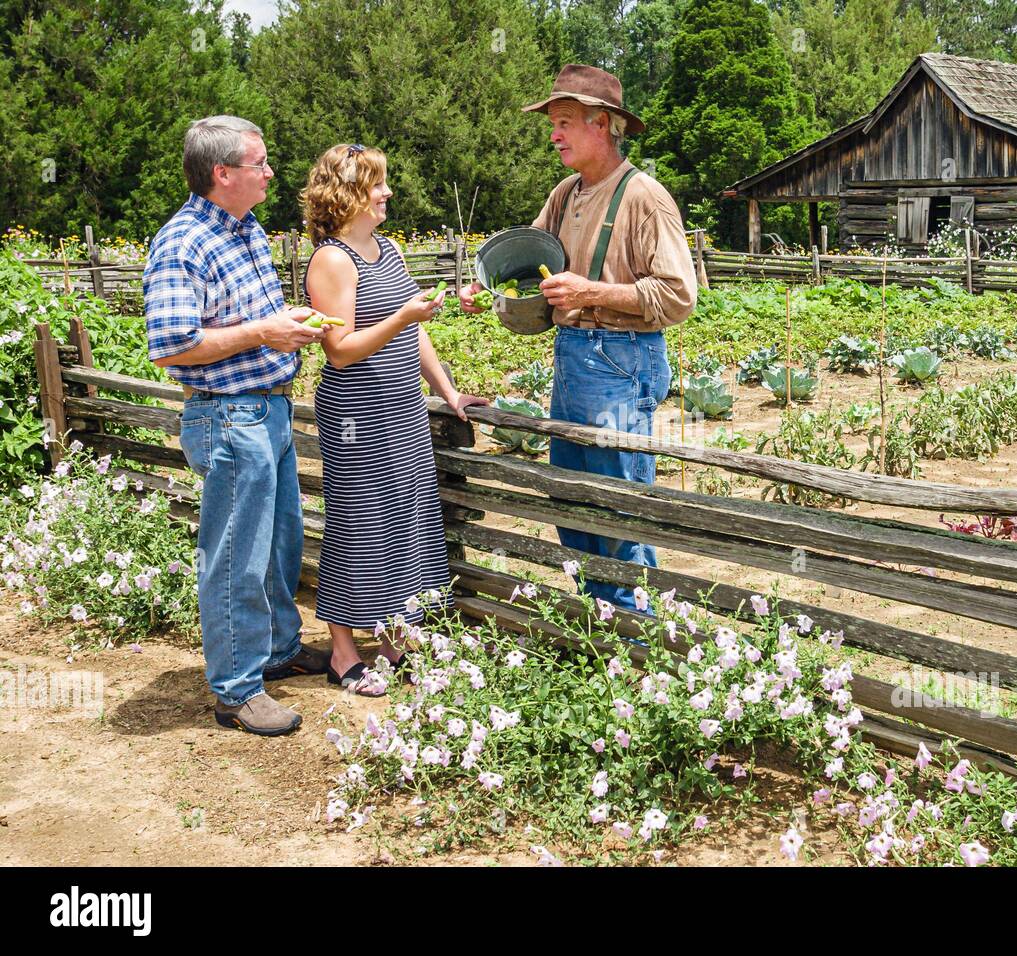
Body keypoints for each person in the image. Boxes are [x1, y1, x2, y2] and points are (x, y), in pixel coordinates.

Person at [460, 65, 697, 612]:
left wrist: (593, 292)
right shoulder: (565, 194)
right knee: (570, 494)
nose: (554, 134)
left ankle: (638, 635)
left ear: (604, 124)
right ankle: (600, 618)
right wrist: (485, 286)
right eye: (554, 123)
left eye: (564, 122)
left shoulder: (645, 197)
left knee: (618, 503)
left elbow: (679, 297)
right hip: (573, 357)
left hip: (623, 359)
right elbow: (530, 259)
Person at [144, 115, 329, 736]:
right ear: (222, 174)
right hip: (229, 415)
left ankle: (276, 651)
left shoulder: (243, 229)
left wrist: (284, 324)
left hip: (265, 407)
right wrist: (262, 333)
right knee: (234, 558)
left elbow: (248, 319)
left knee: (280, 545)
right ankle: (235, 689)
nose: (271, 172)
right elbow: (171, 346)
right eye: (260, 163)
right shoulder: (182, 242)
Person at [302, 144, 488, 695]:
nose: (387, 192)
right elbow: (339, 349)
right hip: (355, 411)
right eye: (377, 184)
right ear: (348, 193)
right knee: (357, 526)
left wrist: (449, 392)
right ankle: (342, 652)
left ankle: (391, 641)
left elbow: (415, 332)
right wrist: (404, 314)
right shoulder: (332, 260)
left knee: (404, 522)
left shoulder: (389, 250)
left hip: (400, 405)